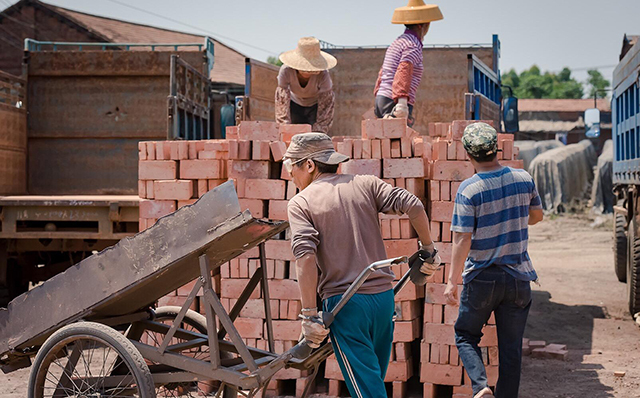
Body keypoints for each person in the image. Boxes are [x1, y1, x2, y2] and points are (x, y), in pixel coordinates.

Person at [282, 133, 440, 398]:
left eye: (292, 168)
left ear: (309, 165)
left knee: (367, 391)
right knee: (373, 382)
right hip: (383, 299)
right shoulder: (364, 183)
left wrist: (309, 315)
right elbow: (412, 204)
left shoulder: (302, 202)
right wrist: (428, 250)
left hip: (347, 306)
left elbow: (306, 257)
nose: (291, 177)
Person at [443, 123, 544, 398]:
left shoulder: (469, 190)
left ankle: (481, 387)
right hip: (518, 278)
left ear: (468, 154)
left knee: (465, 335)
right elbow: (536, 216)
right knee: (511, 350)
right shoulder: (523, 178)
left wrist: (452, 282)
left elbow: (462, 239)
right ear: (496, 148)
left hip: (483, 278)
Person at [373, 0, 443, 126]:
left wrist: (378, 95)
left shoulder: (397, 42)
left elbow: (383, 71)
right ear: (422, 25)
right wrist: (402, 103)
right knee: (399, 144)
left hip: (382, 99)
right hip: (394, 102)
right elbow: (404, 70)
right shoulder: (413, 45)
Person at [275, 37, 336, 134]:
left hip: (315, 107)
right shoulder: (286, 71)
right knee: (294, 136)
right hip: (294, 105)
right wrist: (284, 129)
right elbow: (281, 101)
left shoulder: (323, 75)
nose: (308, 70)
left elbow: (326, 106)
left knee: (313, 137)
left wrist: (318, 133)